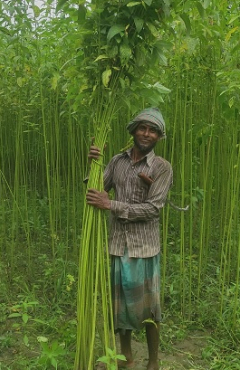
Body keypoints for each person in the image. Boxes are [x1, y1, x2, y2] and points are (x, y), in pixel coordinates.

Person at [86, 108, 173, 370]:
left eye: (153, 130)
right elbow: (94, 191)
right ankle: (126, 358)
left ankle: (154, 362)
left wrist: (110, 204)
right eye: (143, 128)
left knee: (149, 310)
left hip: (144, 248)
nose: (147, 134)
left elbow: (153, 209)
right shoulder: (116, 161)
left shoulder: (162, 167)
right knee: (119, 306)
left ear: (159, 136)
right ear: (134, 130)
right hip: (117, 244)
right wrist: (93, 163)